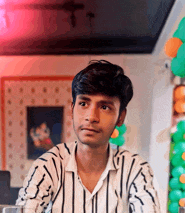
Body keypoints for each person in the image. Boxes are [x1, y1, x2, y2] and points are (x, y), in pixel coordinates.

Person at [16, 60, 160, 213]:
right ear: (72, 110)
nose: (91, 117)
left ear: (120, 117)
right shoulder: (49, 165)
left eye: (104, 107)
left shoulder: (135, 169)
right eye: (84, 104)